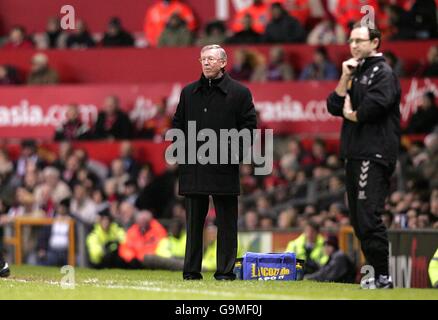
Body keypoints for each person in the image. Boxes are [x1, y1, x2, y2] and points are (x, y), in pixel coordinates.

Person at [172, 44, 257, 280]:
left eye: (211, 59)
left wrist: (235, 154)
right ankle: (191, 271)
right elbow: (177, 123)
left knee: (227, 223)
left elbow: (249, 127)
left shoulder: (240, 93)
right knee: (193, 224)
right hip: (194, 168)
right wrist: (182, 152)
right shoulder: (188, 92)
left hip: (224, 167)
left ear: (223, 62)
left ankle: (225, 272)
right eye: (203, 59)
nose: (206, 63)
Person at [326, 23, 401, 289]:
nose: (354, 45)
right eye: (351, 41)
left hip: (375, 152)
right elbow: (333, 105)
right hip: (355, 153)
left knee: (369, 216)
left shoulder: (383, 72)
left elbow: (373, 108)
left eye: (359, 41)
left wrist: (351, 114)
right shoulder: (355, 71)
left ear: (375, 43)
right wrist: (344, 78)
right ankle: (374, 276)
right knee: (358, 221)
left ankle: (382, 276)